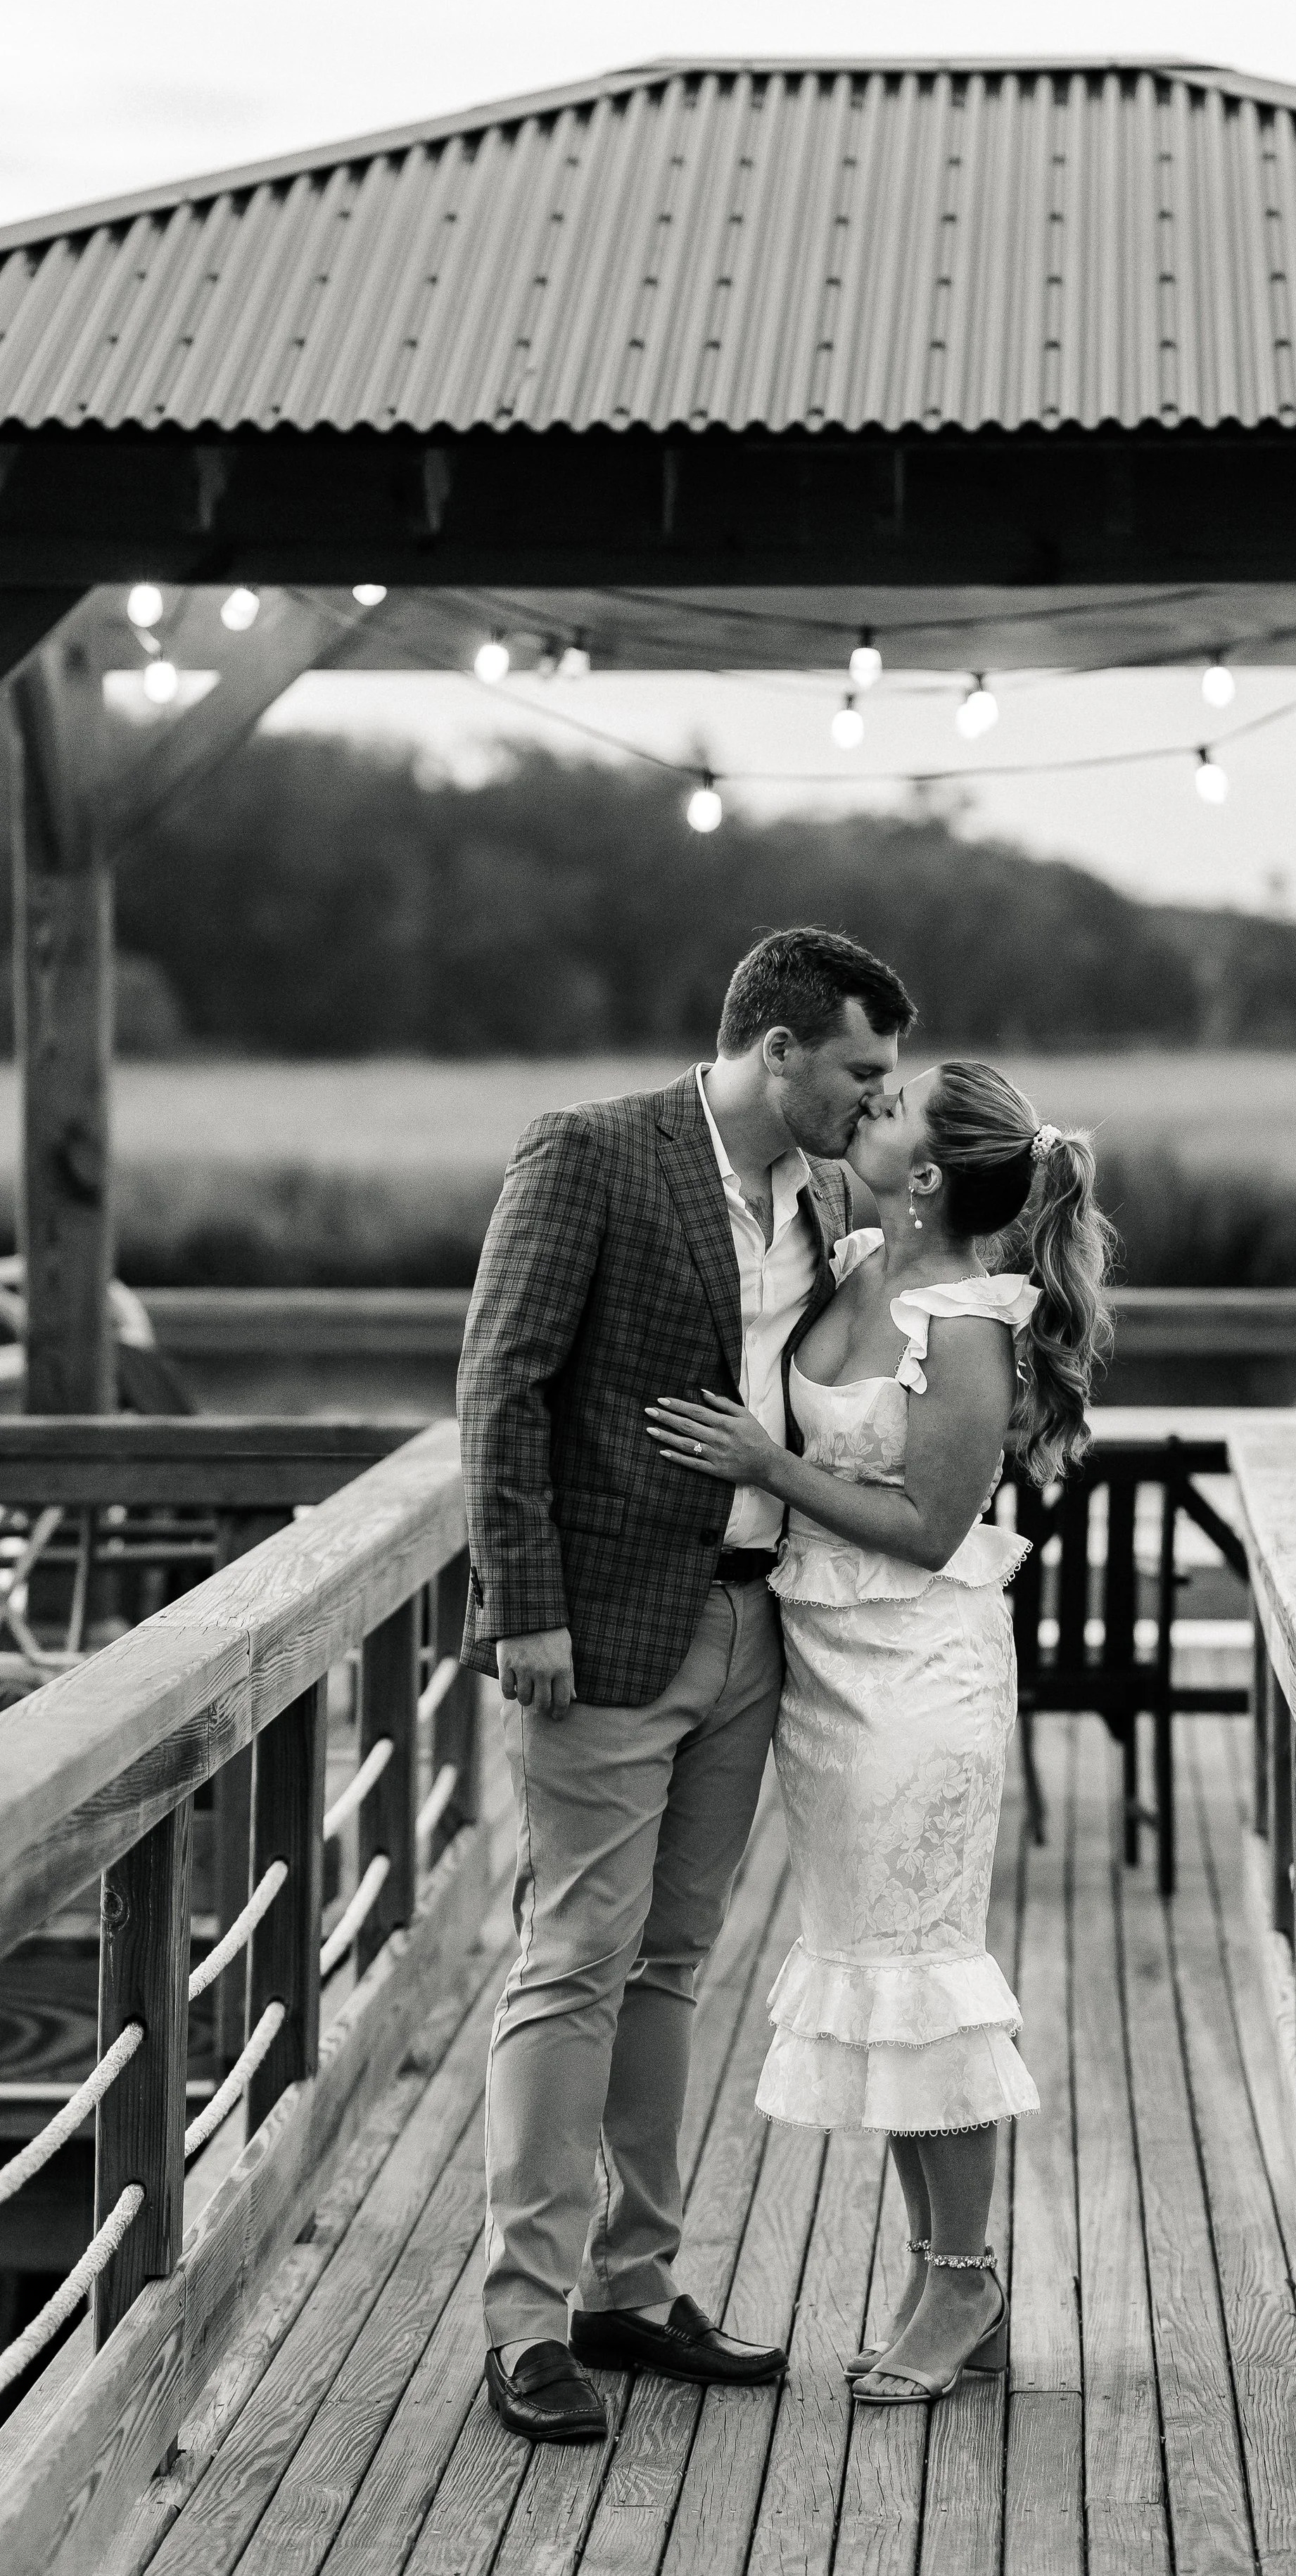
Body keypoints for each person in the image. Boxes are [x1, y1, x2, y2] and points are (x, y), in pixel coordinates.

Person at [458, 927, 915, 2443]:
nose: (874, 1097)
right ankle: (523, 2320)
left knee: (672, 1965)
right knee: (573, 1957)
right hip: (595, 1634)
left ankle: (631, 2290)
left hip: (750, 1634)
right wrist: (521, 1606)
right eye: (858, 1068)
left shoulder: (825, 1199)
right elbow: (501, 1383)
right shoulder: (591, 1153)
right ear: (776, 1050)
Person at [647, 1060, 1114, 2406]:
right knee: (875, 1977)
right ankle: (945, 2272)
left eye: (894, 1109)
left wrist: (769, 1467)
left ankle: (965, 2275)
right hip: (825, 1681)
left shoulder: (966, 1323)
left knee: (923, 1977)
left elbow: (928, 1527)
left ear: (925, 1178)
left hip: (920, 1684)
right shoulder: (848, 1259)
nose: (873, 1106)